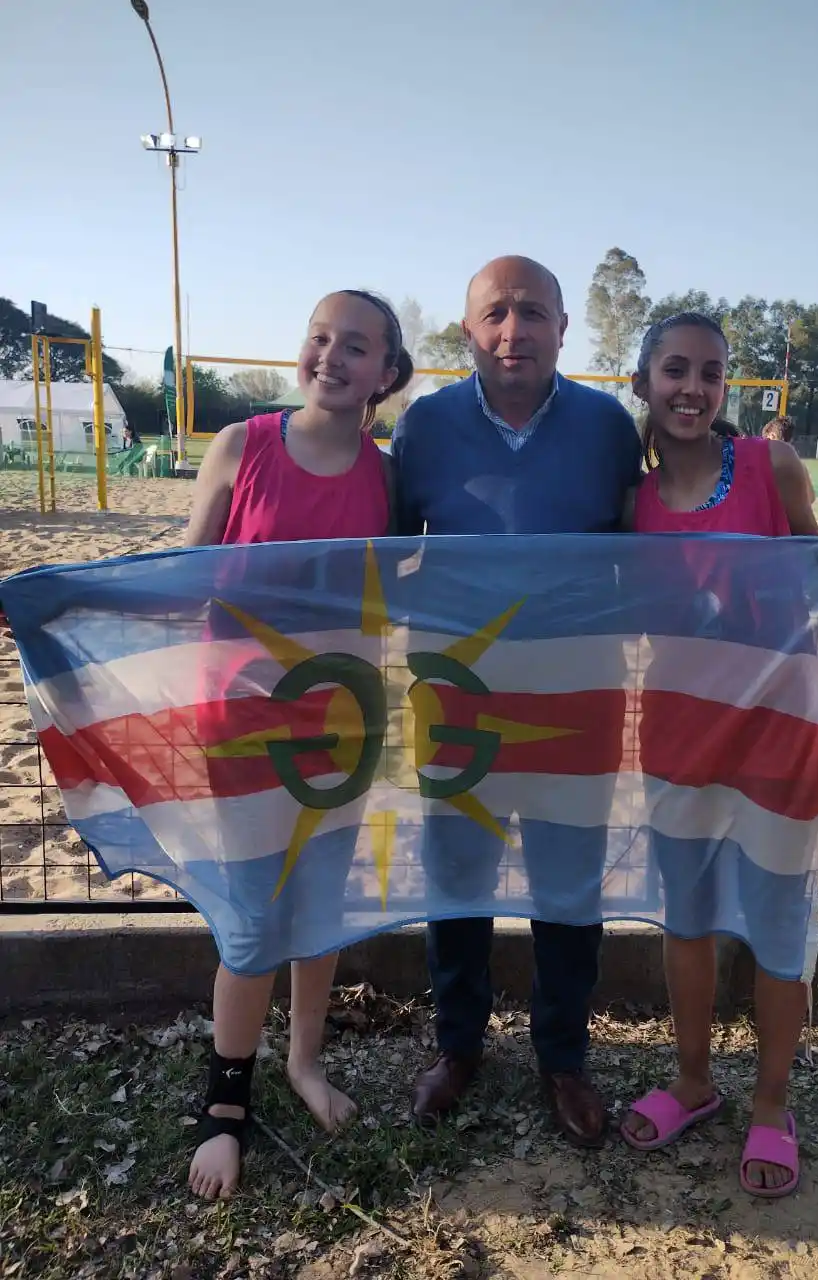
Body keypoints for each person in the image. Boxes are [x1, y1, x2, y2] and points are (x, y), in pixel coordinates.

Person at [619, 312, 818, 1197]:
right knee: (685, 922)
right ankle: (692, 1082)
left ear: (725, 386)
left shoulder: (772, 467)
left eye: (709, 371)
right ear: (643, 382)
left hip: (781, 730)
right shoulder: (630, 500)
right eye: (673, 370)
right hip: (677, 735)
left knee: (776, 928)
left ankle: (771, 1105)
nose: (691, 387)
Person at [391, 255, 641, 1147]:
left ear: (564, 328)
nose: (512, 330)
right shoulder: (422, 427)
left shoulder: (611, 427)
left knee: (569, 885)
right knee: (456, 878)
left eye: (532, 312)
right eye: (494, 313)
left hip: (579, 692)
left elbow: (661, 551)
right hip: (457, 696)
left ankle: (562, 1059)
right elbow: (375, 557)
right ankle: (458, 1048)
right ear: (466, 331)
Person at [184, 290, 412, 1200]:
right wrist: (58, 597)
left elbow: (408, 589)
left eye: (355, 347)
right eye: (320, 338)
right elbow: (177, 571)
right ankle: (224, 1103)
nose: (331, 356)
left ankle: (303, 1063)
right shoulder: (242, 446)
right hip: (238, 719)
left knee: (319, 897)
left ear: (385, 374)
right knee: (251, 913)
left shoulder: (392, 477)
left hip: (345, 717)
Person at [762, 414, 815, 501]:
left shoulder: (760, 464)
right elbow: (810, 498)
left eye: (766, 439)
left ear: (772, 436)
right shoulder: (799, 466)